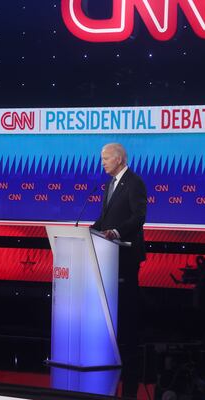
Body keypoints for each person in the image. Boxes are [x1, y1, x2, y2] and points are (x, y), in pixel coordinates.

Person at [91, 143, 147, 356]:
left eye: (105, 158)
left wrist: (116, 232)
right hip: (108, 255)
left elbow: (139, 216)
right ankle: (112, 344)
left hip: (126, 254)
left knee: (128, 303)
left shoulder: (134, 183)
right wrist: (88, 231)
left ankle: (130, 348)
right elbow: (105, 218)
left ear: (120, 159)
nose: (102, 163)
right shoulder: (109, 184)